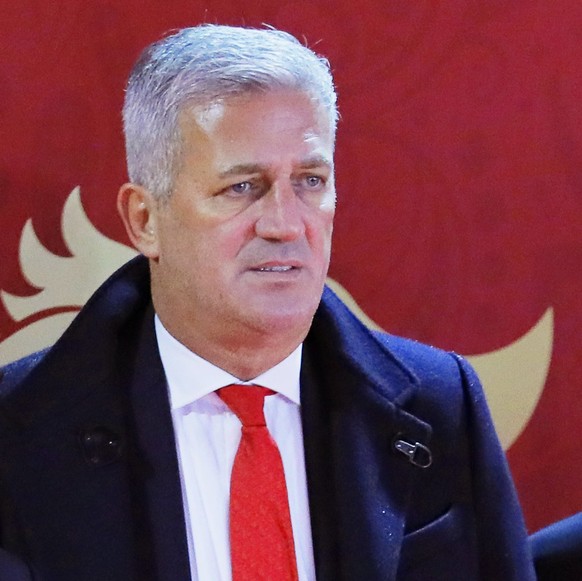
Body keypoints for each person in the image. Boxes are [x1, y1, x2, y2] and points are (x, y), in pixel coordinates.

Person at [0, 24, 535, 580]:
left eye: (309, 181)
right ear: (144, 220)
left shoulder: (440, 404)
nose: (285, 224)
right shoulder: (20, 430)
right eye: (242, 187)